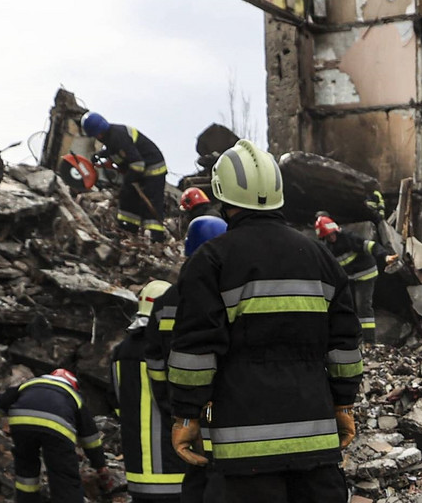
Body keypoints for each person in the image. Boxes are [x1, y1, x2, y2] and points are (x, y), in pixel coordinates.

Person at [167, 140, 362, 503]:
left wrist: (187, 415)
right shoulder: (320, 257)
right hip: (315, 443)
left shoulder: (211, 260)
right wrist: (343, 404)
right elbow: (345, 345)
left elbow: (195, 350)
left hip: (244, 449)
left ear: (222, 195)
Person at [144, 217, 229, 503]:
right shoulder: (230, 293)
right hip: (228, 411)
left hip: (186, 412)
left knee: (195, 477)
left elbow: (155, 365)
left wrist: (176, 411)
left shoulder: (165, 301)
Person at [0, 369, 111, 502]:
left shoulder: (31, 383)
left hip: (22, 422)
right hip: (57, 428)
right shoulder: (74, 396)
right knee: (63, 476)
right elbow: (90, 437)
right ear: (73, 384)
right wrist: (100, 465)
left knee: (26, 469)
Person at [112, 280, 188, 502]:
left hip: (138, 465)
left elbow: (117, 402)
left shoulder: (120, 351)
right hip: (171, 463)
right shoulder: (166, 348)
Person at [81, 111, 169, 242]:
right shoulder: (110, 137)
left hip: (153, 169)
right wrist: (102, 154)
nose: (97, 137)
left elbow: (138, 163)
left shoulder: (118, 136)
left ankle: (156, 236)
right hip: (141, 170)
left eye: (96, 135)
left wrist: (129, 179)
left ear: (99, 132)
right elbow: (116, 151)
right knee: (128, 197)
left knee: (151, 203)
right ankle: (127, 229)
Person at [314, 215, 392, 343]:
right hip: (350, 278)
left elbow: (370, 246)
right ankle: (352, 338)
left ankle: (369, 341)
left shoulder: (347, 237)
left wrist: (385, 257)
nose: (331, 237)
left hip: (366, 274)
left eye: (331, 234)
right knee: (347, 307)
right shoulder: (328, 248)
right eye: (327, 236)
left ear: (335, 230)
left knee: (363, 306)